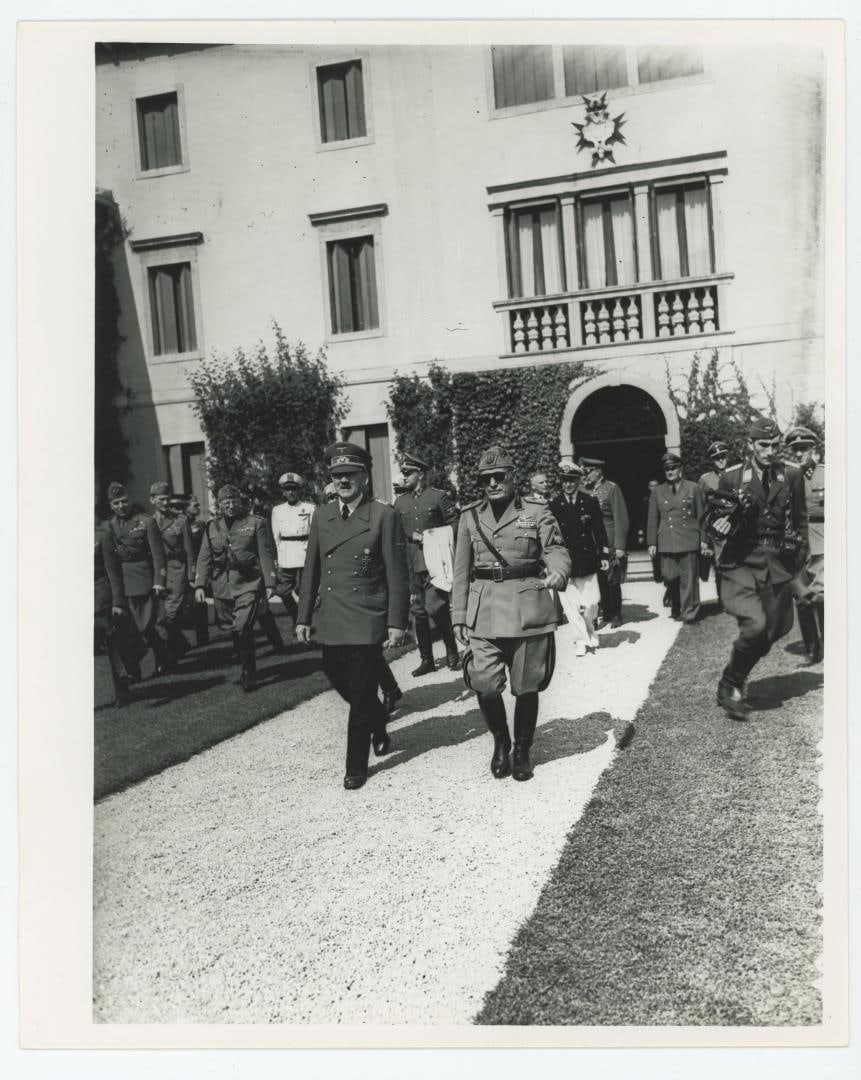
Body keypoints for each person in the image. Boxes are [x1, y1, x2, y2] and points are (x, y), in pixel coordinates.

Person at [451, 446, 570, 782]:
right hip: (484, 609)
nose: (492, 483)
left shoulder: (535, 511)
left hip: (527, 608)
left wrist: (559, 572)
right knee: (485, 683)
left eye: (498, 476)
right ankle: (500, 741)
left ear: (512, 476)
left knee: (526, 685)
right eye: (485, 479)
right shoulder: (469, 517)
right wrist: (458, 616)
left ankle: (521, 750)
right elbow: (461, 572)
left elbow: (556, 549)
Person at [295, 442, 410, 790]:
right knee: (335, 673)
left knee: (360, 692)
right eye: (337, 476)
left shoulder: (383, 515)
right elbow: (310, 569)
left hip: (366, 615)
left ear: (364, 477)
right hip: (331, 616)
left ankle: (355, 766)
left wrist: (396, 622)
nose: (343, 481)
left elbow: (397, 574)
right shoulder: (323, 514)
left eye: (350, 475)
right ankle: (377, 719)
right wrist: (303, 618)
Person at [710, 417, 808, 720]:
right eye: (763, 445)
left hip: (777, 560)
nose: (769, 451)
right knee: (755, 625)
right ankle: (731, 684)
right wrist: (719, 525)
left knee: (778, 628)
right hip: (740, 560)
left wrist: (797, 564)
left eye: (773, 445)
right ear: (750, 445)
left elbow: (801, 521)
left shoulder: (790, 475)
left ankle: (734, 676)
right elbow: (714, 519)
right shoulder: (733, 477)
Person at [194, 484, 278, 691]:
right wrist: (199, 584)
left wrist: (270, 582)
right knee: (232, 627)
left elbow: (266, 555)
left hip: (249, 582)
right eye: (226, 502)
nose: (231, 506)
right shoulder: (211, 527)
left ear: (241, 502)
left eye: (234, 501)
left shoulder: (255, 523)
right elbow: (204, 557)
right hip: (222, 584)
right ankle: (246, 662)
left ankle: (248, 672)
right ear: (220, 505)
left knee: (242, 626)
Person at [393, 452, 461, 676]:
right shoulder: (400, 502)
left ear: (420, 474)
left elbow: (455, 524)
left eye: (408, 473)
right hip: (411, 564)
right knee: (418, 613)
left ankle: (452, 649)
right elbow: (395, 533)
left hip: (434, 562)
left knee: (436, 607)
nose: (404, 477)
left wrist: (432, 535)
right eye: (403, 473)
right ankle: (426, 659)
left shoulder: (437, 497)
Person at [104, 481, 171, 675]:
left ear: (129, 500)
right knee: (126, 630)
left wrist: (159, 581)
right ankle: (134, 669)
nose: (121, 506)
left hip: (142, 580)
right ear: (111, 505)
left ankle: (161, 654)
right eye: (116, 503)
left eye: (123, 501)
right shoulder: (108, 526)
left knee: (145, 627)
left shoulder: (146, 522)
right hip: (119, 583)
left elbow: (158, 555)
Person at [548, 460, 609, 657]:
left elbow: (599, 530)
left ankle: (590, 629)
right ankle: (580, 640)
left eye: (572, 481)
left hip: (587, 560)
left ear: (578, 480)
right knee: (570, 605)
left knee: (591, 603)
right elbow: (548, 535)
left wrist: (604, 554)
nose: (568, 485)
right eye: (564, 481)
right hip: (565, 562)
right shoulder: (554, 505)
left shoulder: (589, 502)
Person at [647, 452, 709, 624]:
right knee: (669, 576)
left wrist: (704, 539)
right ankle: (675, 601)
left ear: (680, 469)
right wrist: (652, 542)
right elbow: (652, 519)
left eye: (673, 468)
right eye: (667, 469)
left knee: (689, 580)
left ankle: (690, 613)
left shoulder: (693, 488)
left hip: (688, 539)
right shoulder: (658, 491)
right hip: (666, 540)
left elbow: (702, 516)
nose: (670, 471)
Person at [783, 425, 825, 663]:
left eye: (804, 448)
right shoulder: (788, 477)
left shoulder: (827, 473)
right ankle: (812, 649)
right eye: (795, 450)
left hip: (822, 543)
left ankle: (829, 647)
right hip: (797, 545)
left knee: (823, 596)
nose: (799, 454)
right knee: (802, 598)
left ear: (813, 449)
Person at [95, 515, 143, 707]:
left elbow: (113, 571)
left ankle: (123, 690)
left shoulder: (101, 536)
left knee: (114, 645)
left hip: (102, 599)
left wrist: (118, 602)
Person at [580, 457, 629, 628]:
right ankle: (605, 611)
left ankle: (616, 613)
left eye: (587, 471)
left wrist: (620, 546)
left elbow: (620, 518)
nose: (585, 475)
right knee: (597, 580)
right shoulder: (583, 490)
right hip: (590, 544)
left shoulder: (611, 489)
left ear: (598, 472)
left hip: (608, 542)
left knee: (612, 579)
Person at [151, 481, 194, 664]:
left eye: (167, 499)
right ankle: (180, 644)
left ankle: (171, 653)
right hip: (156, 572)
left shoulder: (180, 520)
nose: (165, 503)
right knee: (159, 616)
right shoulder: (147, 522)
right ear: (152, 500)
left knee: (170, 613)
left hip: (176, 569)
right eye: (161, 499)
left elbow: (189, 550)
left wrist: (191, 576)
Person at [271, 471, 316, 635]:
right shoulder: (277, 510)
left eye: (294, 489)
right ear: (283, 491)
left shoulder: (310, 508)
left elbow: (314, 533)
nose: (291, 492)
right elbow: (276, 535)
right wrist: (277, 556)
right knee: (282, 590)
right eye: (287, 489)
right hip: (286, 553)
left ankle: (305, 623)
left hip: (304, 551)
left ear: (299, 491)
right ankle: (296, 615)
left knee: (306, 590)